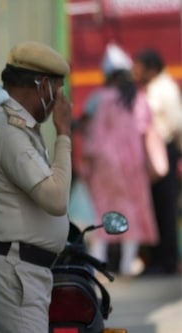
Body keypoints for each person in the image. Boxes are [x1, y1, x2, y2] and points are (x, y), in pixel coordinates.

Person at [0, 41, 73, 332]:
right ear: (44, 85)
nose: (61, 101)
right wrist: (64, 134)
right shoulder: (5, 127)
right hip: (12, 273)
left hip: (15, 271)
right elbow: (56, 198)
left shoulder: (8, 124)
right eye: (59, 92)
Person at [80, 43, 158, 277]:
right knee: (131, 212)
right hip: (132, 165)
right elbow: (147, 130)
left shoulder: (100, 99)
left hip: (104, 166)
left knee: (102, 211)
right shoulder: (138, 99)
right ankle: (126, 265)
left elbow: (90, 131)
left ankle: (98, 264)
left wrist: (86, 162)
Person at [131, 48, 182, 275]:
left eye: (139, 66)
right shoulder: (153, 88)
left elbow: (175, 124)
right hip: (155, 152)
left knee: (164, 207)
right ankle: (156, 259)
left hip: (163, 152)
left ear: (151, 68)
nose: (135, 71)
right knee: (153, 207)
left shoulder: (164, 89)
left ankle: (166, 261)